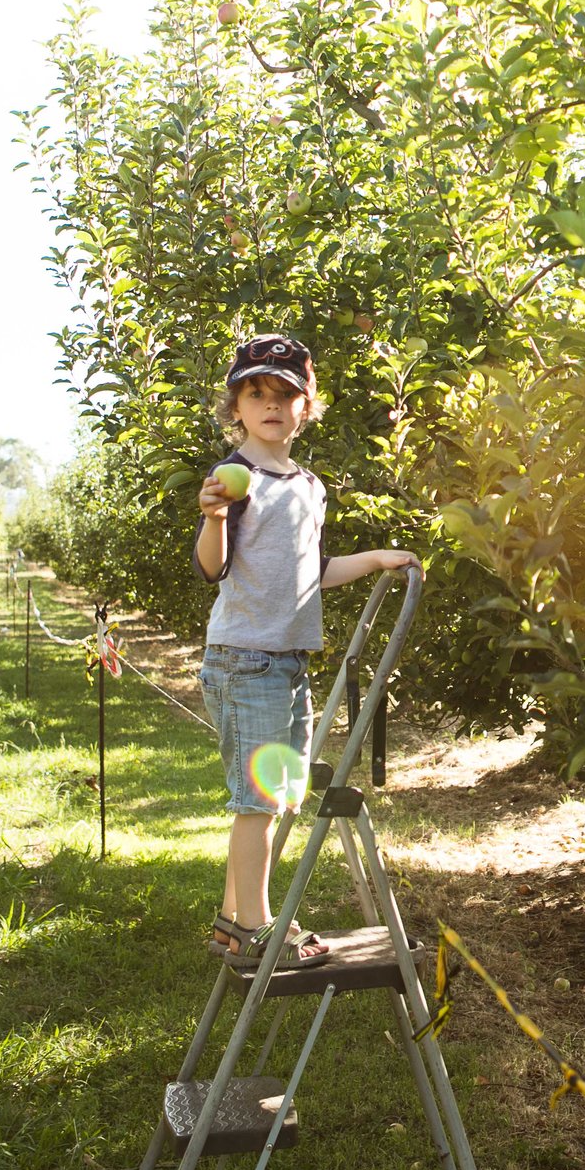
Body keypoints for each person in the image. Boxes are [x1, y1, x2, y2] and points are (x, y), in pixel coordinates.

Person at [193, 332, 415, 964]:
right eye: (256, 393)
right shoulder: (235, 481)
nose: (271, 405)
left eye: (286, 395)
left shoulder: (309, 485)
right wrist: (212, 516)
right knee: (257, 805)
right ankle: (260, 929)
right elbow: (213, 568)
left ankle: (233, 922)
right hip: (245, 659)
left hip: (289, 664)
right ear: (235, 406)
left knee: (278, 796)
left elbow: (311, 569)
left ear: (306, 407)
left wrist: (374, 559)